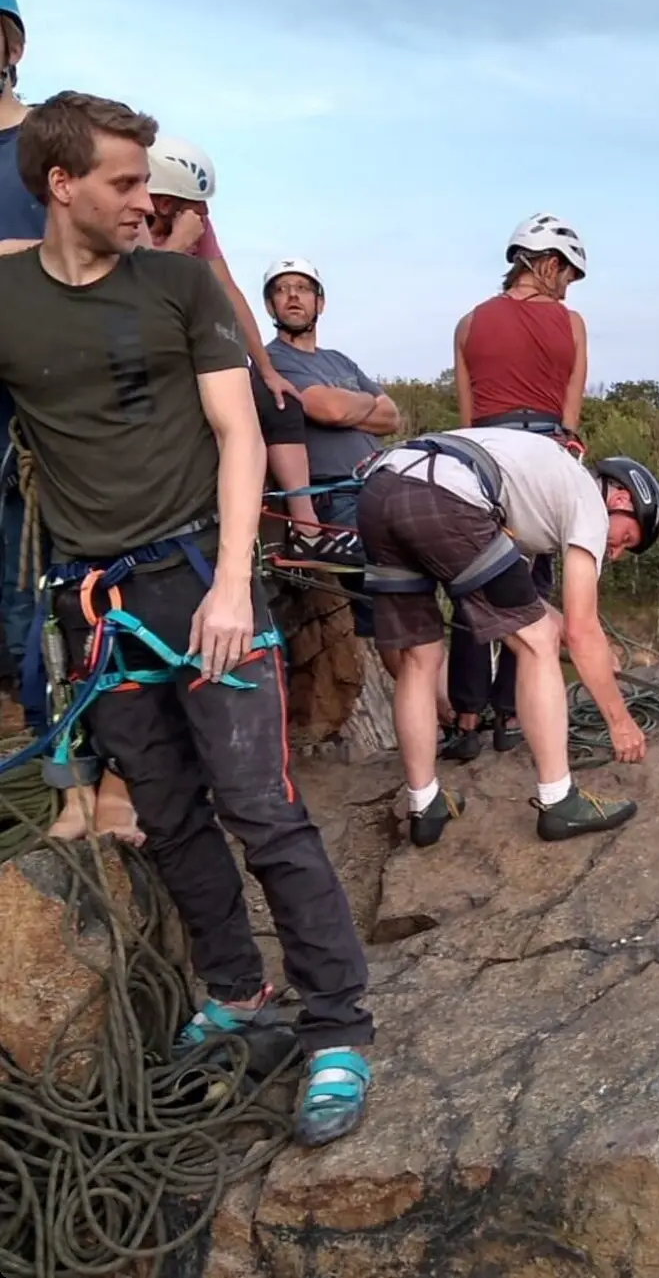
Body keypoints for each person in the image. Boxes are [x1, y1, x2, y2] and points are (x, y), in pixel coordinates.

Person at [0, 90, 373, 1146]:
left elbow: (239, 432)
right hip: (97, 600)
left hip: (201, 576)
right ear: (62, 184)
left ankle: (339, 1022)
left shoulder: (178, 287)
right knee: (167, 813)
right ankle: (237, 991)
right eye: (125, 181)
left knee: (262, 806)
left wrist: (230, 586)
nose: (147, 200)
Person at [355, 429, 659, 845]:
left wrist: (590, 649)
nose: (616, 551)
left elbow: (525, 606)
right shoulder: (589, 501)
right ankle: (559, 802)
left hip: (381, 489)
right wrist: (620, 721)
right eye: (626, 538)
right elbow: (578, 627)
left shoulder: (537, 485)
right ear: (622, 499)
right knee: (535, 644)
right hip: (443, 493)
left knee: (419, 656)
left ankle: (424, 804)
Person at [142, 141, 358, 566]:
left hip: (188, 340)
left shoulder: (195, 223)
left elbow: (228, 291)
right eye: (194, 207)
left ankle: (306, 527)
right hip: (147, 349)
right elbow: (137, 288)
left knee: (275, 400)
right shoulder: (133, 220)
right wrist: (179, 245)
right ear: (165, 201)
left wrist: (266, 368)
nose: (203, 217)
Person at [442, 213, 589, 760]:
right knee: (528, 594)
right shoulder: (572, 324)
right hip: (543, 455)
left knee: (474, 588)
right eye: (567, 274)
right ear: (548, 264)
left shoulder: (467, 324)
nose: (567, 287)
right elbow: (569, 418)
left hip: (482, 457)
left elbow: (466, 420)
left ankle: (466, 718)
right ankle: (513, 713)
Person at [264, 259, 401, 632]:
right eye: (282, 289)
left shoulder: (339, 360)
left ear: (319, 303)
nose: (293, 296)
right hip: (335, 496)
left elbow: (392, 417)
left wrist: (345, 407)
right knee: (395, 583)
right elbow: (329, 409)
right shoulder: (271, 360)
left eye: (303, 288)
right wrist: (359, 404)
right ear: (269, 306)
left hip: (382, 485)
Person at [0, 0, 40, 701]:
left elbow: (108, 250)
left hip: (36, 389)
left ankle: (58, 760)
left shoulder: (46, 144)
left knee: (31, 574)